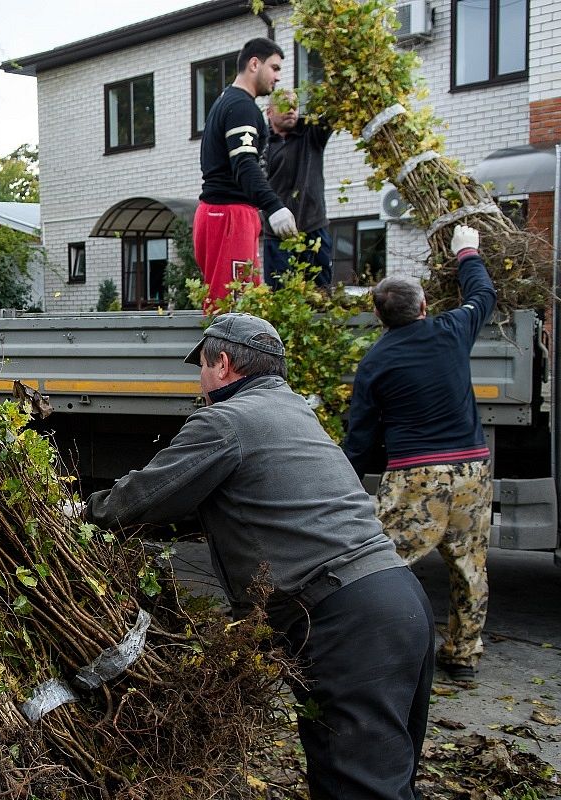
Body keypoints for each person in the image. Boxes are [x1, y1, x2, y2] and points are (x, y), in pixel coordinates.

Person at [84, 312, 434, 800]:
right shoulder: (294, 413)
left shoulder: (226, 420)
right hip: (400, 602)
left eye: (202, 367)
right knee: (387, 779)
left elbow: (138, 500)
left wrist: (79, 513)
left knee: (357, 787)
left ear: (223, 364)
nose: (200, 382)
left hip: (347, 623)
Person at [342, 224, 496, 683]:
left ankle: (371, 651)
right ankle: (463, 657)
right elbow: (483, 292)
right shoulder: (453, 330)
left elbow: (362, 439)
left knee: (382, 564)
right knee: (469, 564)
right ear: (425, 307)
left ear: (379, 317)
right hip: (471, 470)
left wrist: (342, 484)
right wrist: (466, 249)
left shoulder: (374, 363)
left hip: (415, 478)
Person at [195, 38, 298, 306]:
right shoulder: (241, 107)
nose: (277, 77)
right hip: (229, 214)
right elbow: (244, 163)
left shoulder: (227, 101)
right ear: (254, 64)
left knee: (240, 302)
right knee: (231, 306)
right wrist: (274, 206)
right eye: (274, 68)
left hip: (222, 213)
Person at [262, 89, 334, 289]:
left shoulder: (311, 134)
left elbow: (335, 111)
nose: (291, 110)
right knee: (280, 293)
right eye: (284, 105)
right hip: (277, 233)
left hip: (314, 227)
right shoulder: (262, 144)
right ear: (269, 112)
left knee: (321, 293)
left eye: (295, 105)